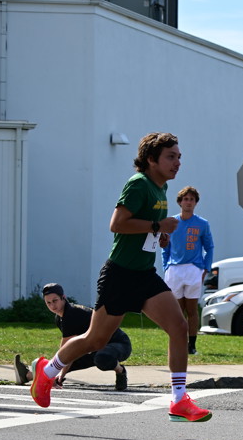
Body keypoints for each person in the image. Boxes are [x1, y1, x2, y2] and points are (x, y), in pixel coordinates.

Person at [28, 132, 211, 422]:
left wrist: (159, 235)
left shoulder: (161, 188)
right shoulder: (139, 184)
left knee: (179, 326)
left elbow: (147, 227)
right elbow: (117, 224)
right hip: (120, 275)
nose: (178, 162)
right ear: (151, 160)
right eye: (171, 157)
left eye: (179, 157)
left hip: (144, 274)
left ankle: (179, 400)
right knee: (95, 340)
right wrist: (156, 225)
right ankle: (47, 371)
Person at [13, 283, 130, 391]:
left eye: (55, 300)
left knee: (101, 358)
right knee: (67, 361)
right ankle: (27, 376)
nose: (52, 305)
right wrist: (58, 373)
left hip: (119, 344)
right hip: (95, 347)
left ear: (63, 297)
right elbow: (69, 352)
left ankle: (120, 371)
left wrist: (60, 374)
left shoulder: (72, 314)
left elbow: (65, 351)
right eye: (48, 303)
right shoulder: (60, 318)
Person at [161, 185, 214, 355]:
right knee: (177, 310)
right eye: (185, 199)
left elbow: (209, 247)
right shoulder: (172, 222)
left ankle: (192, 345)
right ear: (180, 202)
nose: (188, 202)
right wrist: (166, 266)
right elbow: (165, 247)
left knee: (191, 310)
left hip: (193, 269)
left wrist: (206, 268)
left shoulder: (202, 224)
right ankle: (179, 343)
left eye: (191, 199)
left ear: (196, 202)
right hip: (175, 269)